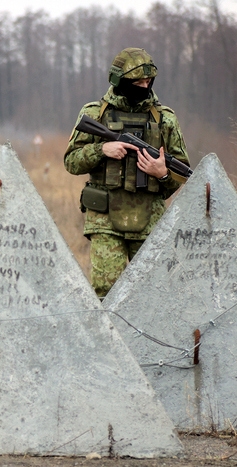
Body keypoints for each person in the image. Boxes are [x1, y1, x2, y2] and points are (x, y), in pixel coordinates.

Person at [65, 47, 190, 298]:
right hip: (105, 219)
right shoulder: (94, 114)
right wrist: (102, 149)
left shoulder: (165, 119)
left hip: (149, 220)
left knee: (153, 295)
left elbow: (183, 172)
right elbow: (71, 162)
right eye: (137, 82)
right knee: (107, 293)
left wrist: (161, 173)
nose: (144, 87)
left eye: (148, 81)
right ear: (120, 81)